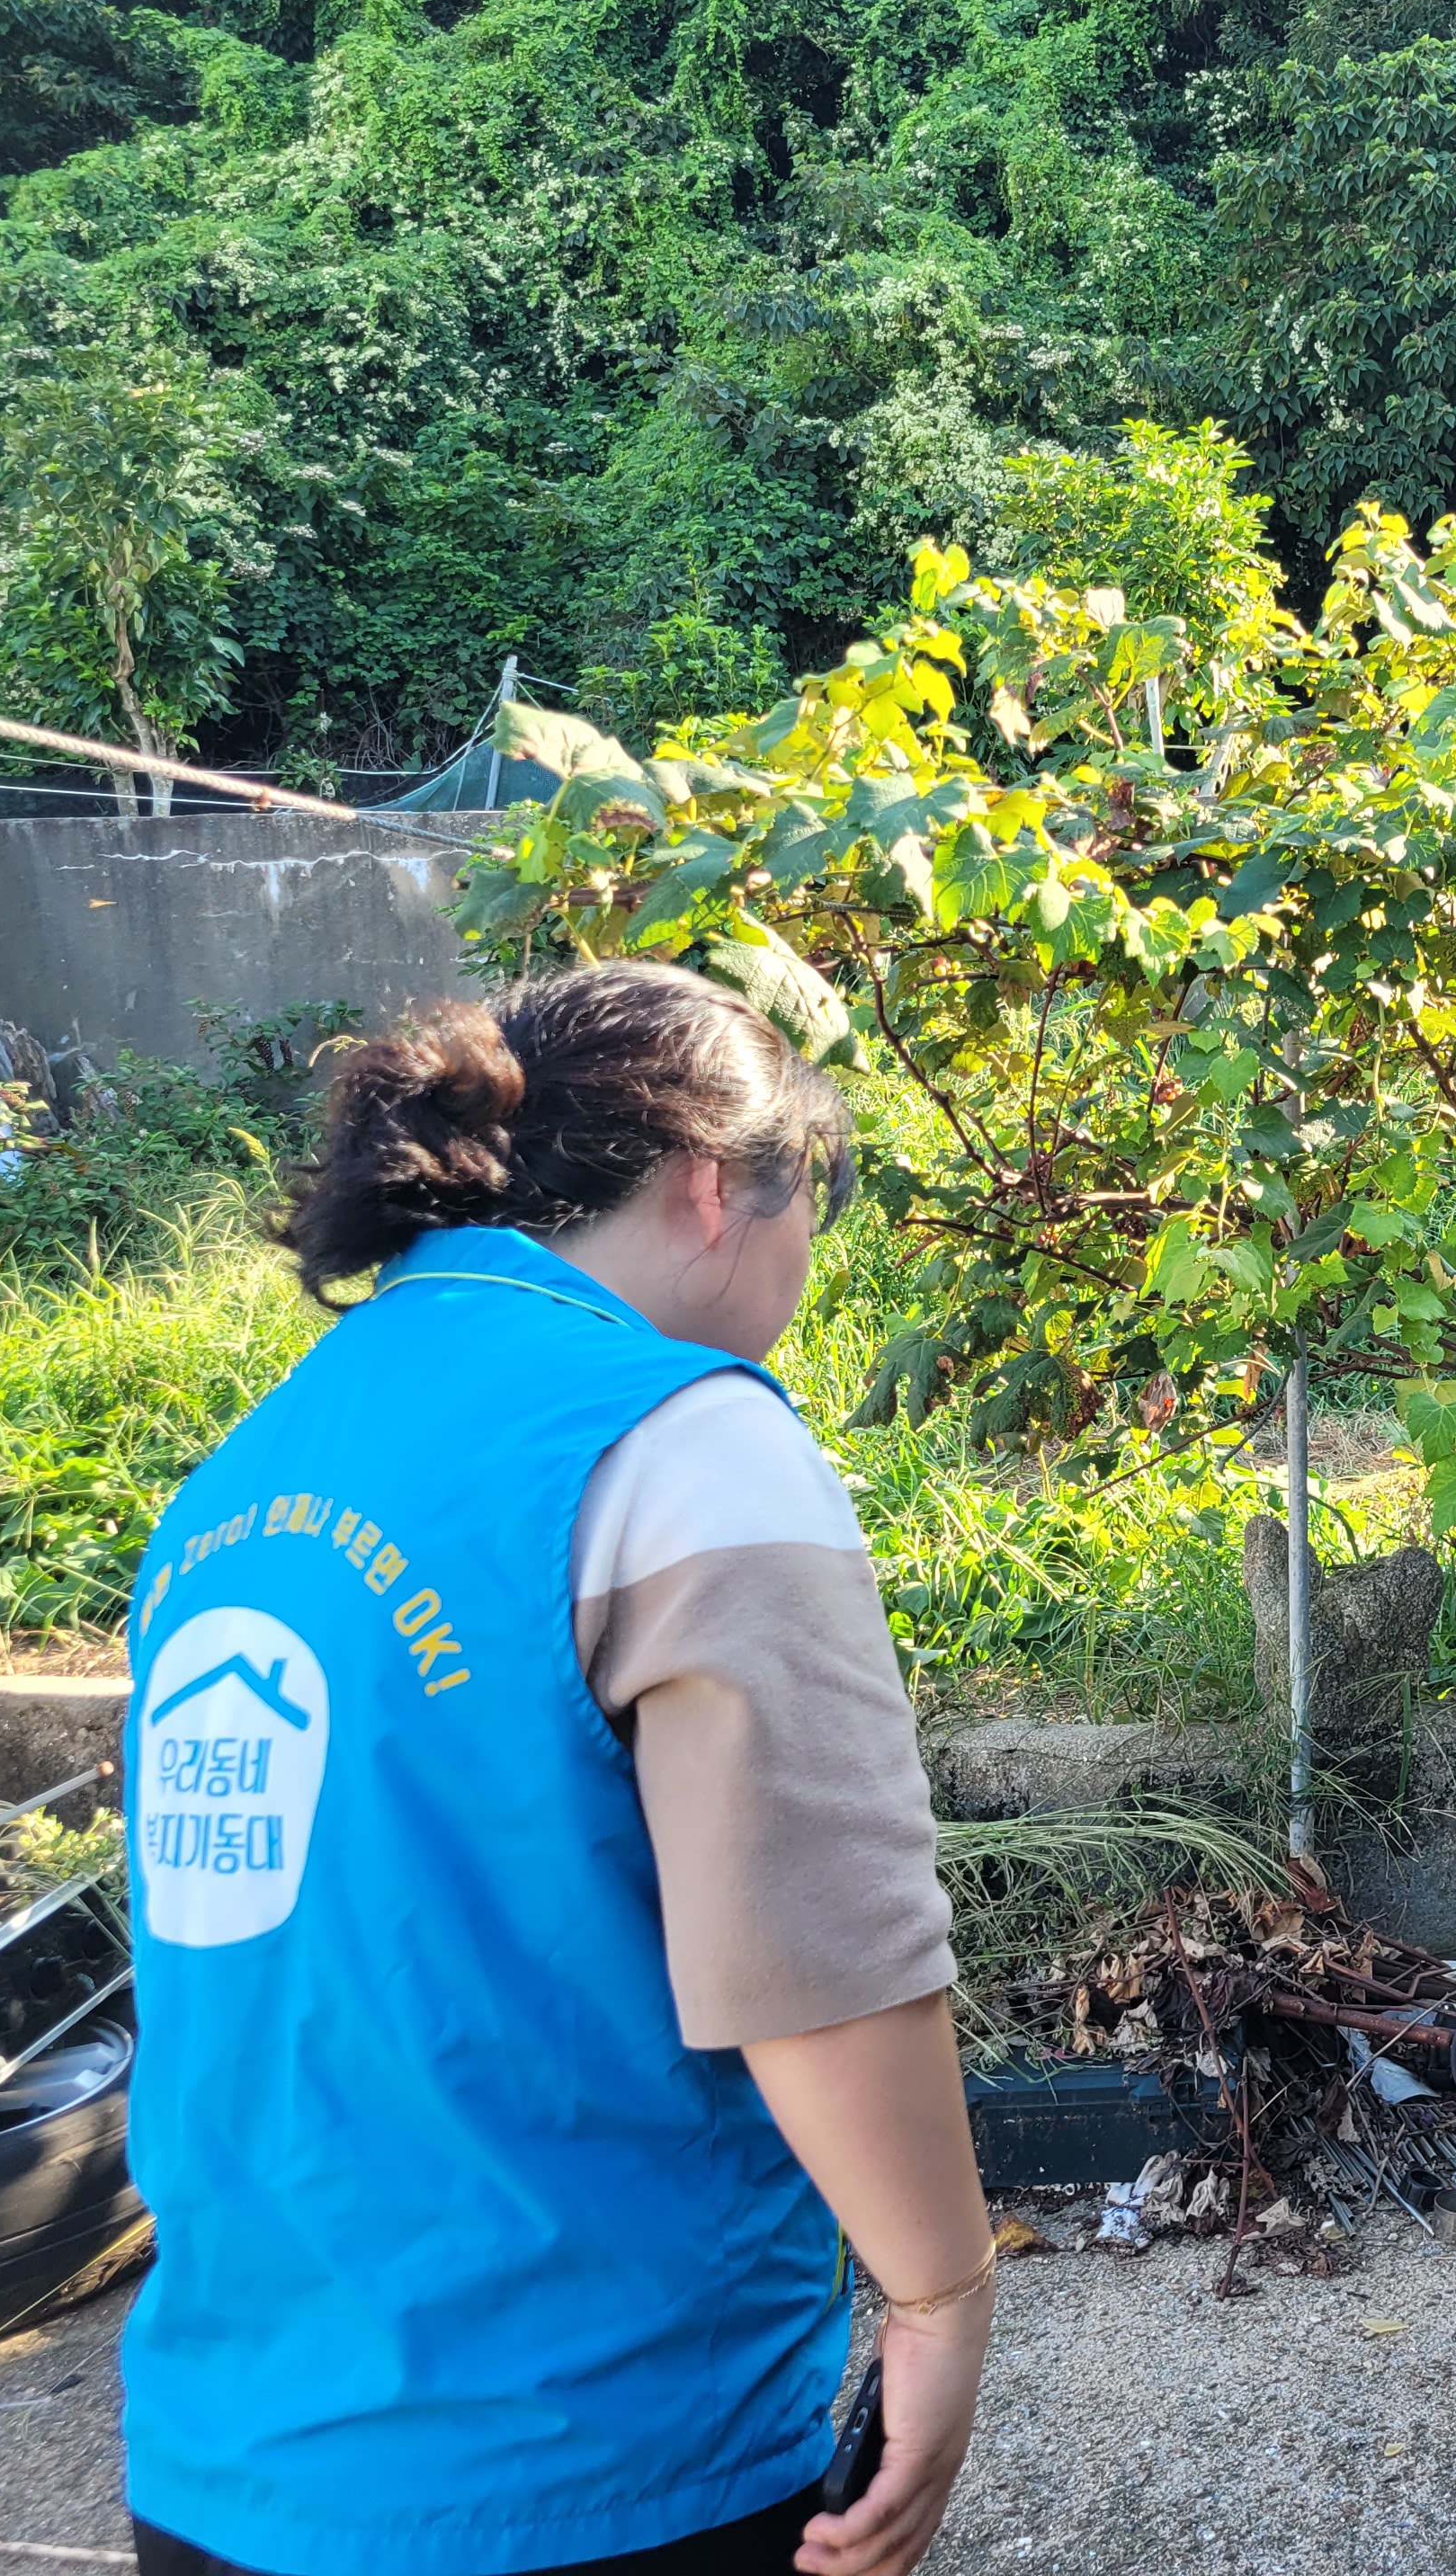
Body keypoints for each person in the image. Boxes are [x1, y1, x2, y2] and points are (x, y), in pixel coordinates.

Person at [120, 963, 992, 2576]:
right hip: (588, 2455)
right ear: (716, 1187)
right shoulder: (685, 1443)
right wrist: (942, 2294)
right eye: (812, 1206)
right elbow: (817, 1957)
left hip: (220, 2451)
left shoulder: (249, 1468)